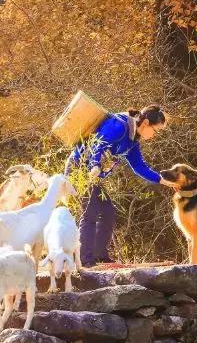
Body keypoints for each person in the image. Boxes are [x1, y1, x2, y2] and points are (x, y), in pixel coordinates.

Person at [64, 104, 178, 266]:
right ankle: (85, 260)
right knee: (90, 211)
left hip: (91, 173)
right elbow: (99, 143)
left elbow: (139, 167)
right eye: (156, 130)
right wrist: (95, 165)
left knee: (107, 211)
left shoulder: (133, 141)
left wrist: (163, 180)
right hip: (78, 168)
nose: (155, 135)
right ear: (145, 123)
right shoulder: (119, 125)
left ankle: (100, 257)